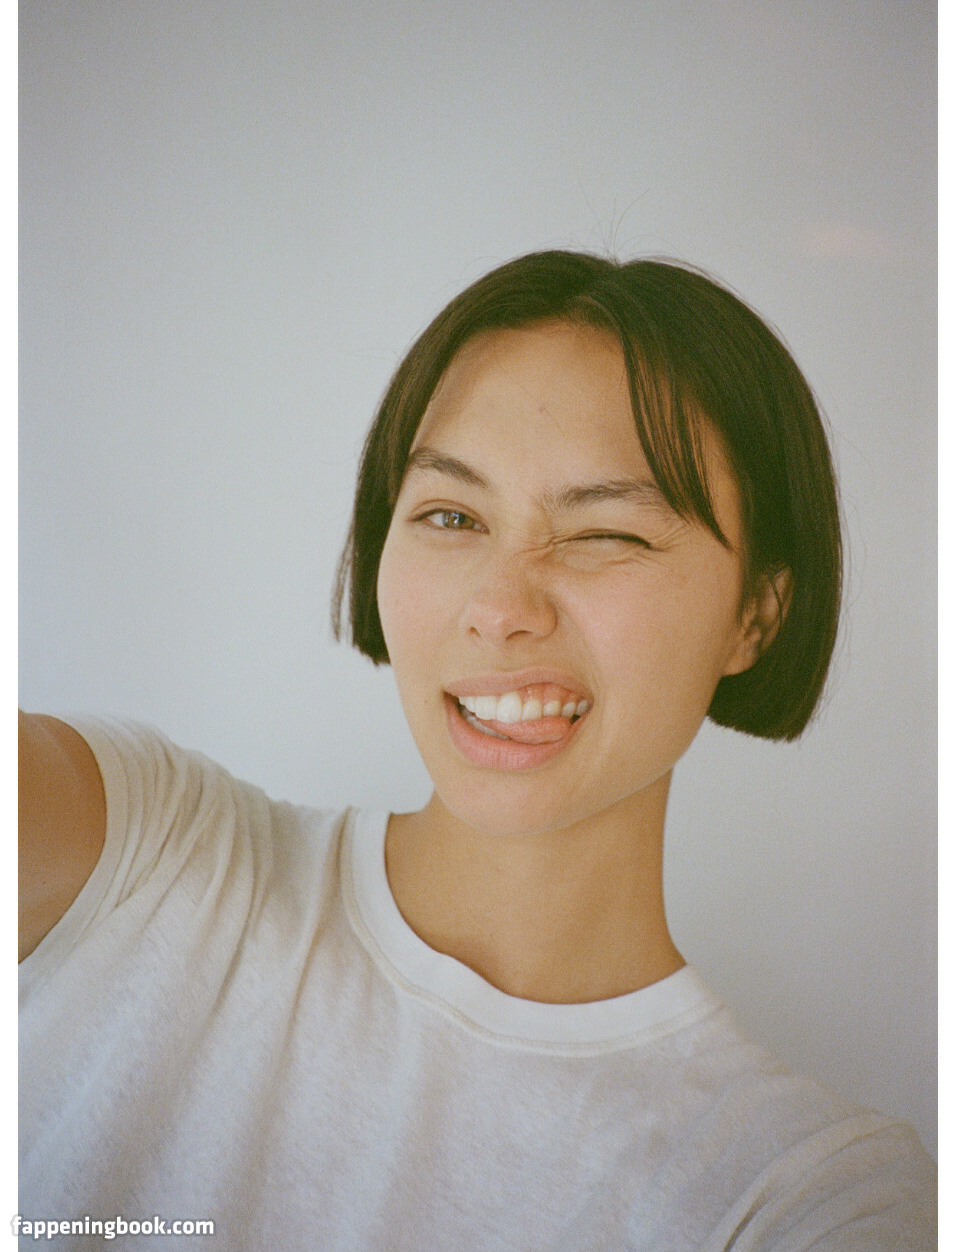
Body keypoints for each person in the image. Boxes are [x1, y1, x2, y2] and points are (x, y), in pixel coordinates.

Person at [20, 251, 934, 1249]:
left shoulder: (808, 1188)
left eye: (606, 534)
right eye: (451, 516)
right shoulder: (147, 861)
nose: (500, 607)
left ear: (755, 615)